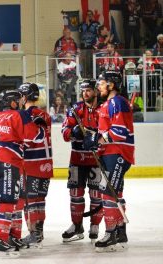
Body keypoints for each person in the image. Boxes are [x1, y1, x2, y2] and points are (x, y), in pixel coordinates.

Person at [0, 89, 45, 257]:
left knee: (17, 201)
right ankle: (1, 240)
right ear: (13, 102)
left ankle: (13, 237)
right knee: (8, 202)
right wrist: (39, 126)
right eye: (18, 101)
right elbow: (35, 136)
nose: (20, 103)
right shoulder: (20, 115)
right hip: (8, 162)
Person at [83, 71, 134, 252]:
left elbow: (119, 132)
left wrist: (97, 140)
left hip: (118, 153)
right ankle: (121, 231)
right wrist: (95, 140)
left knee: (108, 193)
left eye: (102, 83)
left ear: (112, 85)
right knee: (116, 192)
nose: (98, 86)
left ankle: (111, 233)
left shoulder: (117, 102)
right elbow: (107, 132)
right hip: (111, 153)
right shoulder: (108, 104)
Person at [61, 79, 103, 243]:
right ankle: (77, 225)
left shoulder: (103, 109)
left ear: (95, 91)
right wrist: (74, 131)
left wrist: (95, 136)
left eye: (88, 90)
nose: (85, 93)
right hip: (77, 159)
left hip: (96, 159)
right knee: (75, 194)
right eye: (83, 90)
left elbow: (107, 131)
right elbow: (65, 132)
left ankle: (95, 225)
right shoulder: (75, 109)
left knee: (96, 194)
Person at [18, 83, 53, 248]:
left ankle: (33, 234)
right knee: (40, 200)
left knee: (29, 201)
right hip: (46, 164)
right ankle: (39, 232)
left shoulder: (24, 115)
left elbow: (26, 140)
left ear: (24, 97)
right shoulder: (45, 115)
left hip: (30, 164)